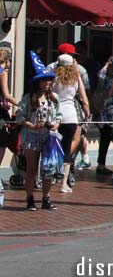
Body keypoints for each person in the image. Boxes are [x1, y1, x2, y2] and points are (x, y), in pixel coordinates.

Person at [16, 68, 61, 211]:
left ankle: (46, 198)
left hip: (49, 137)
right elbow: (20, 117)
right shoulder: (29, 98)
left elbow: (59, 115)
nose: (48, 82)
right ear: (38, 82)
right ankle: (30, 199)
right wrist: (32, 125)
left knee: (48, 169)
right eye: (45, 80)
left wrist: (56, 125)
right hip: (32, 136)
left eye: (50, 80)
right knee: (32, 169)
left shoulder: (53, 98)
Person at [52, 54, 88, 194]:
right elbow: (84, 99)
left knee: (52, 145)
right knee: (67, 149)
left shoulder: (52, 78)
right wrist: (87, 113)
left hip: (55, 115)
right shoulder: (76, 78)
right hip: (70, 116)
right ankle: (64, 184)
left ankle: (50, 174)